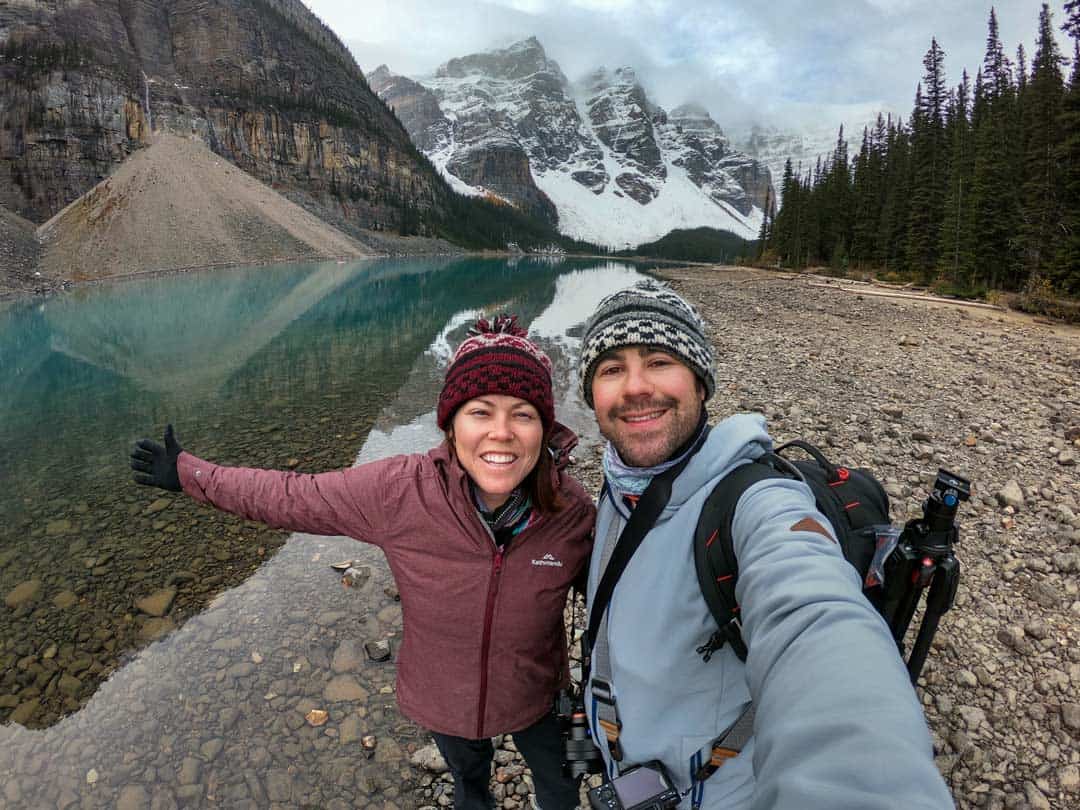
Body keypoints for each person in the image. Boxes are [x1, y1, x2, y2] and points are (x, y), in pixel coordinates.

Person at [130, 316, 595, 810]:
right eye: (480, 412)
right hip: (445, 697)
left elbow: (621, 600)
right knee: (469, 782)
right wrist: (191, 474)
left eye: (523, 414)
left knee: (564, 785)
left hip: (539, 697)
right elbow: (293, 496)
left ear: (544, 427)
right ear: (451, 424)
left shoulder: (572, 514)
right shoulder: (401, 493)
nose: (501, 433)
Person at [575, 280, 953, 810]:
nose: (635, 387)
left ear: (701, 383)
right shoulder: (620, 487)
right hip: (631, 768)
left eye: (659, 361)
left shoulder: (754, 502)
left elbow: (814, 616)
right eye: (612, 369)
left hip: (717, 791)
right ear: (592, 395)